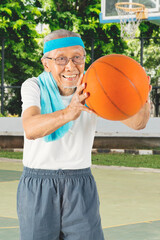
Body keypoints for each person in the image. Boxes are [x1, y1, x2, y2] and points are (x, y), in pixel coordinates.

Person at [17, 29, 151, 240]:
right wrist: (71, 111)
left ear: (84, 59)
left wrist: (141, 95)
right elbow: (31, 129)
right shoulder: (34, 86)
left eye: (77, 58)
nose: (70, 66)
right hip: (38, 184)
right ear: (46, 63)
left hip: (79, 183)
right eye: (61, 59)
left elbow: (137, 123)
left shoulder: (95, 88)